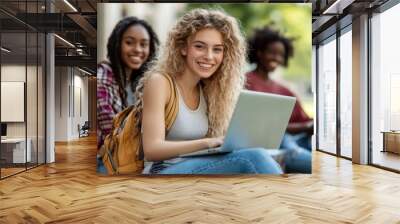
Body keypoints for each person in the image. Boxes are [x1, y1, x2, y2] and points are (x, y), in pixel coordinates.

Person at [133, 9, 284, 174]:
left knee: (257, 155)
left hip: (198, 165)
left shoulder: (209, 90)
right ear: (183, 48)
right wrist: (207, 143)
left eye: (217, 49)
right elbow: (152, 149)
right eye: (200, 46)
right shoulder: (160, 82)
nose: (209, 56)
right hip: (162, 170)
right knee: (254, 158)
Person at [246, 26, 311, 173]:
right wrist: (306, 127)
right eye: (271, 52)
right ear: (259, 52)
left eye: (281, 55)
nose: (276, 58)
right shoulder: (244, 82)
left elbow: (304, 120)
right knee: (286, 141)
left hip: (294, 140)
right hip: (268, 142)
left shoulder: (285, 90)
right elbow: (260, 127)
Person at [97, 17, 159, 172]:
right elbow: (111, 130)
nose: (138, 49)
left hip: (130, 158)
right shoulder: (103, 75)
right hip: (106, 162)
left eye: (143, 44)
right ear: (117, 45)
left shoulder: (137, 82)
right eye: (129, 42)